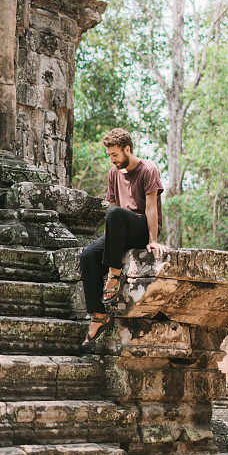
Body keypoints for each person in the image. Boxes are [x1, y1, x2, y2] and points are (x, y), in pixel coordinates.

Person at [80, 128, 168, 351]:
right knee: (88, 255)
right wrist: (111, 242)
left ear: (127, 149)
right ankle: (98, 314)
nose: (112, 159)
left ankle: (115, 273)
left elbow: (151, 209)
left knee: (115, 213)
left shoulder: (149, 170)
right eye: (109, 155)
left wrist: (153, 239)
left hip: (140, 227)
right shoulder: (114, 172)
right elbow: (112, 206)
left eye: (115, 154)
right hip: (120, 227)